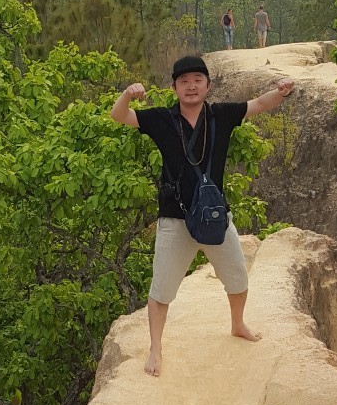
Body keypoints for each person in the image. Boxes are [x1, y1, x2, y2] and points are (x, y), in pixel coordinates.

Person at [111, 53, 295, 376]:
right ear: (174, 87)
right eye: (184, 81)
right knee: (161, 289)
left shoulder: (220, 116)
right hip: (175, 218)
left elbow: (258, 105)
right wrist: (128, 94)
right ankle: (156, 348)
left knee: (237, 277)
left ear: (208, 85)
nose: (191, 87)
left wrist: (280, 92)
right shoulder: (162, 119)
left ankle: (238, 324)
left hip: (213, 215)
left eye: (197, 80)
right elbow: (118, 116)